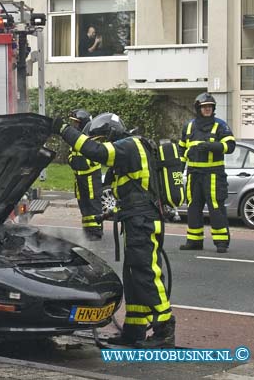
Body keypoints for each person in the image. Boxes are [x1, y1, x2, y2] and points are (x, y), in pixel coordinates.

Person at [53, 113, 175, 348]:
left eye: (101, 138)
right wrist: (114, 211)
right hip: (137, 220)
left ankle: (165, 328)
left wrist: (64, 130)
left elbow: (96, 152)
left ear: (111, 133)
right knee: (133, 278)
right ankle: (135, 329)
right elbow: (136, 190)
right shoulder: (132, 149)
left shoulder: (129, 145)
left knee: (146, 274)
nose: (101, 144)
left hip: (143, 222)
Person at [178, 93, 236, 253]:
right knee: (193, 207)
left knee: (216, 208)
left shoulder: (220, 126)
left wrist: (213, 146)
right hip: (193, 174)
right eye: (204, 107)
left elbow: (231, 146)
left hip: (213, 174)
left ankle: (221, 242)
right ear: (198, 108)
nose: (207, 109)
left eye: (210, 106)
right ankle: (194, 240)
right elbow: (181, 149)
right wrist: (178, 170)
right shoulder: (189, 126)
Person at [66, 108, 103, 240]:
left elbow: (95, 156)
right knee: (83, 204)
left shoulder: (93, 137)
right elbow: (70, 155)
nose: (74, 126)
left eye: (76, 123)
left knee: (93, 204)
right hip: (79, 177)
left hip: (91, 177)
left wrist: (80, 163)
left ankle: (96, 231)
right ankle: (88, 230)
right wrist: (73, 162)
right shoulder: (76, 139)